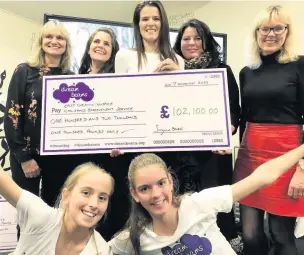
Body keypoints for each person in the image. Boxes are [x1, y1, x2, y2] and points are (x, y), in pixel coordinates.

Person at [109, 145, 304, 255]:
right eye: (145, 189)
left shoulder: (199, 203)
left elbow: (262, 177)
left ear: (170, 180)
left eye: (161, 183)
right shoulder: (134, 239)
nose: (156, 194)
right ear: (134, 194)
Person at [233, 5, 304, 255]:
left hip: (287, 157)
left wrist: (302, 169)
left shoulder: (299, 66)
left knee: (281, 234)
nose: (271, 34)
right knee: (250, 234)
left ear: (288, 31)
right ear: (256, 32)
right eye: (265, 28)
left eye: (278, 28)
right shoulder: (246, 72)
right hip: (250, 156)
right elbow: (243, 117)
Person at [111, 0, 184, 241]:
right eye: (144, 19)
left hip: (165, 140)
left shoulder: (176, 59)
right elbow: (119, 99)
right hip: (134, 141)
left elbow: (181, 103)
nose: (150, 23)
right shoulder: (125, 56)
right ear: (137, 24)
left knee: (162, 200)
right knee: (132, 202)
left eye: (155, 18)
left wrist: (178, 78)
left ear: (162, 23)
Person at [172, 19, 241, 251]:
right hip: (179, 153)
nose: (191, 43)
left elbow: (234, 112)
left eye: (197, 38)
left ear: (206, 41)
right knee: (180, 203)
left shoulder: (222, 70)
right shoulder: (171, 70)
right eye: (186, 38)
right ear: (179, 43)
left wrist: (224, 132)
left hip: (212, 153)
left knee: (212, 204)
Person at [4, 20, 78, 210]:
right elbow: (12, 115)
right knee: (28, 215)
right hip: (26, 158)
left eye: (60, 37)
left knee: (56, 213)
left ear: (66, 44)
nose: (54, 41)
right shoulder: (24, 71)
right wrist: (24, 158)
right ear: (41, 41)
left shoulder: (71, 78)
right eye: (49, 36)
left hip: (59, 160)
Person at [0, 162, 114, 254]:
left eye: (102, 198)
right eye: (86, 193)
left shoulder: (101, 251)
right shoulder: (41, 216)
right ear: (66, 196)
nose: (94, 204)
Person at [78, 27, 120, 241]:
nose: (100, 46)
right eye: (96, 41)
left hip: (111, 160)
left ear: (113, 51)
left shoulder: (121, 81)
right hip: (81, 159)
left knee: (107, 212)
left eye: (106, 43)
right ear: (89, 47)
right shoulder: (74, 81)